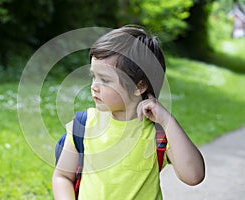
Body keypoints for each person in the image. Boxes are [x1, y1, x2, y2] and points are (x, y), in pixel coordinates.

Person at [52, 25, 205, 200]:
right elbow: (62, 177)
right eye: (93, 76)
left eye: (105, 80)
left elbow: (194, 176)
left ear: (139, 86)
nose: (94, 86)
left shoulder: (158, 132)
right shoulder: (84, 125)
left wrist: (167, 120)